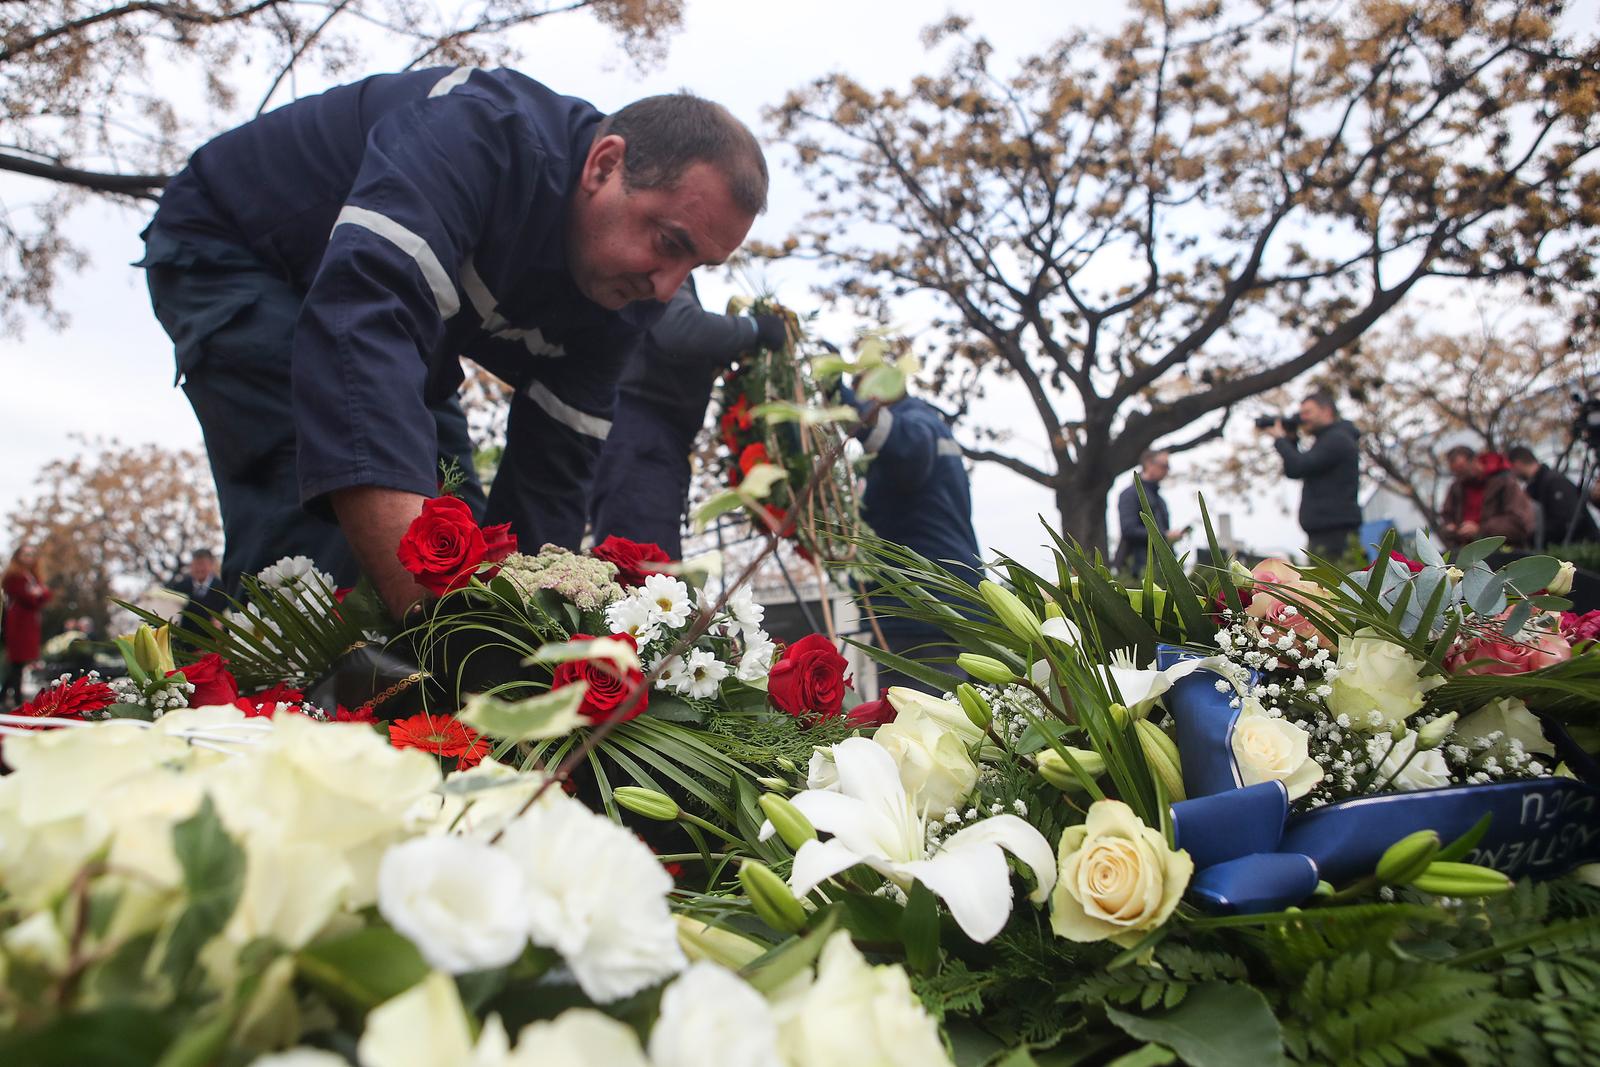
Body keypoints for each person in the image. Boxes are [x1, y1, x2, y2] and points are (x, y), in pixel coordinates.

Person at [140, 68, 766, 618]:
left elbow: (552, 477)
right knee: (326, 530)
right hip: (237, 251)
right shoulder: (478, 134)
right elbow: (358, 326)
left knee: (457, 533)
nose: (667, 291)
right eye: (671, 243)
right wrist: (437, 634)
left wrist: (526, 633)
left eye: (697, 270)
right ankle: (258, 709)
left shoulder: (624, 299)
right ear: (604, 165)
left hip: (402, 328)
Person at [582, 279, 786, 557]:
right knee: (642, 567)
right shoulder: (665, 271)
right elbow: (679, 328)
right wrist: (753, 329)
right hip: (641, 442)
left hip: (651, 444)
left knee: (651, 568)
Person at [841, 385, 983, 695]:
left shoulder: (913, 424)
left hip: (923, 609)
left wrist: (843, 400)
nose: (861, 394)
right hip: (941, 601)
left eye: (863, 387)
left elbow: (907, 452)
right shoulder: (931, 425)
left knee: (920, 728)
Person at [1266, 389, 1362, 559]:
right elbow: (1294, 470)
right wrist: (1291, 440)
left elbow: (1299, 465)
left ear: (1326, 411)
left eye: (1308, 412)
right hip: (1325, 531)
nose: (1303, 418)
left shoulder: (1337, 439)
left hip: (1334, 533)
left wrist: (1280, 440)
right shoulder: (1328, 439)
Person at [1439, 446, 1537, 551]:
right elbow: (1447, 515)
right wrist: (1451, 527)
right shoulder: (1457, 488)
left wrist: (1480, 529)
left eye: (1463, 469)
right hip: (1469, 552)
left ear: (1475, 461)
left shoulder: (1504, 482)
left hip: (1505, 552)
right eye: (1456, 473)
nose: (1460, 476)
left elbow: (1519, 521)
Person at [1508, 445, 1599, 546]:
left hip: (1580, 547)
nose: (1512, 473)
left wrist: (1533, 536)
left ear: (1517, 464)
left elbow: (1566, 521)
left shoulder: (1554, 482)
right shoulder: (1534, 487)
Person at [1115, 450, 1185, 576]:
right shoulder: (1129, 495)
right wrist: (1164, 536)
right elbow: (1128, 529)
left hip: (1159, 568)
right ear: (1148, 464)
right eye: (1164, 466)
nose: (1167, 471)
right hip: (1135, 569)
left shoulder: (1160, 500)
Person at [2, 546, 53, 708]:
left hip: (29, 623)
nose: (29, 558)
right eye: (25, 554)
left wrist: (37, 594)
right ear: (18, 556)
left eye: (32, 554)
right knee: (17, 661)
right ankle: (15, 699)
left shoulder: (32, 577)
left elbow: (45, 595)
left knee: (20, 663)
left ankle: (6, 697)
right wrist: (36, 594)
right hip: (18, 624)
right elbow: (27, 598)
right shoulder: (14, 576)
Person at [168, 548, 231, 619]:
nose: (199, 568)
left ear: (211, 565)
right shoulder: (180, 586)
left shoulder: (223, 589)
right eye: (196, 564)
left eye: (202, 564)